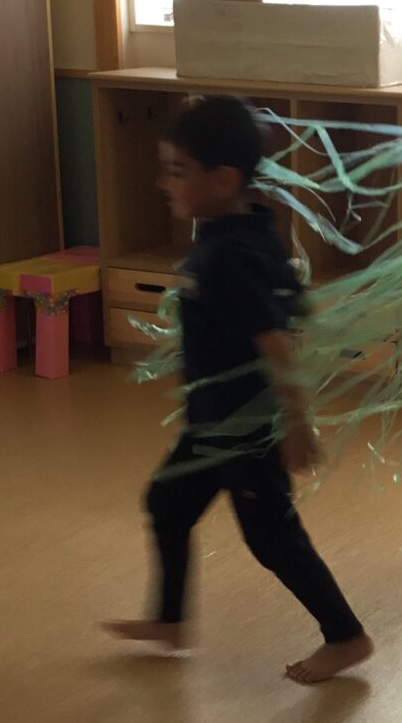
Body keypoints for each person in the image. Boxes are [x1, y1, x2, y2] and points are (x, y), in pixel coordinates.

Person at [102, 95, 372, 684]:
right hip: (210, 421)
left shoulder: (233, 254)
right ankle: (169, 620)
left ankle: (346, 636)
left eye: (177, 170)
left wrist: (296, 422)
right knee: (167, 503)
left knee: (272, 538)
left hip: (245, 429)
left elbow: (276, 340)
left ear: (223, 180)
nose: (163, 182)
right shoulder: (241, 229)